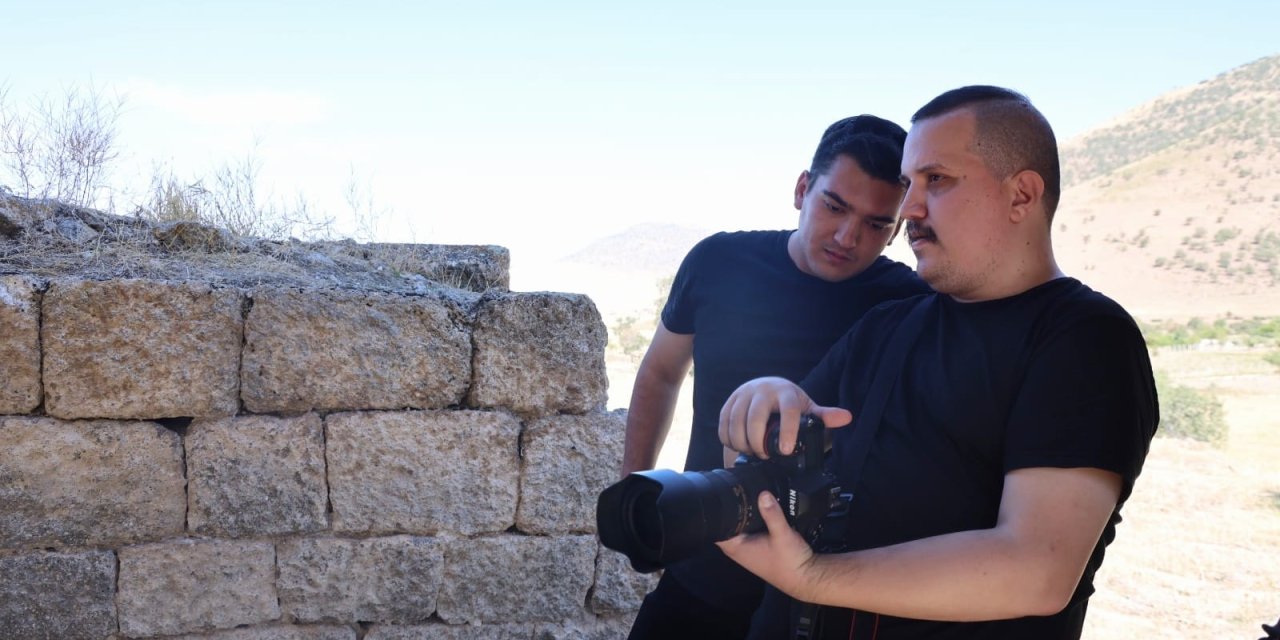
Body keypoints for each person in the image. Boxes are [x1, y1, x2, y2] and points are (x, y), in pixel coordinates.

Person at [715, 86, 1159, 639]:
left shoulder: (1086, 339)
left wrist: (814, 579)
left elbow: (1036, 569)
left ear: (1022, 194)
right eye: (909, 184)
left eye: (937, 180)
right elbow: (767, 469)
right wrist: (760, 403)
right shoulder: (887, 326)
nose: (908, 209)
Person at [620, 115, 931, 639]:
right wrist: (637, 490)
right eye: (834, 205)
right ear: (802, 189)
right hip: (702, 564)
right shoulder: (719, 262)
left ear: (897, 229)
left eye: (877, 224)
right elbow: (660, 373)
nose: (847, 236)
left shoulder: (910, 304)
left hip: (828, 592)